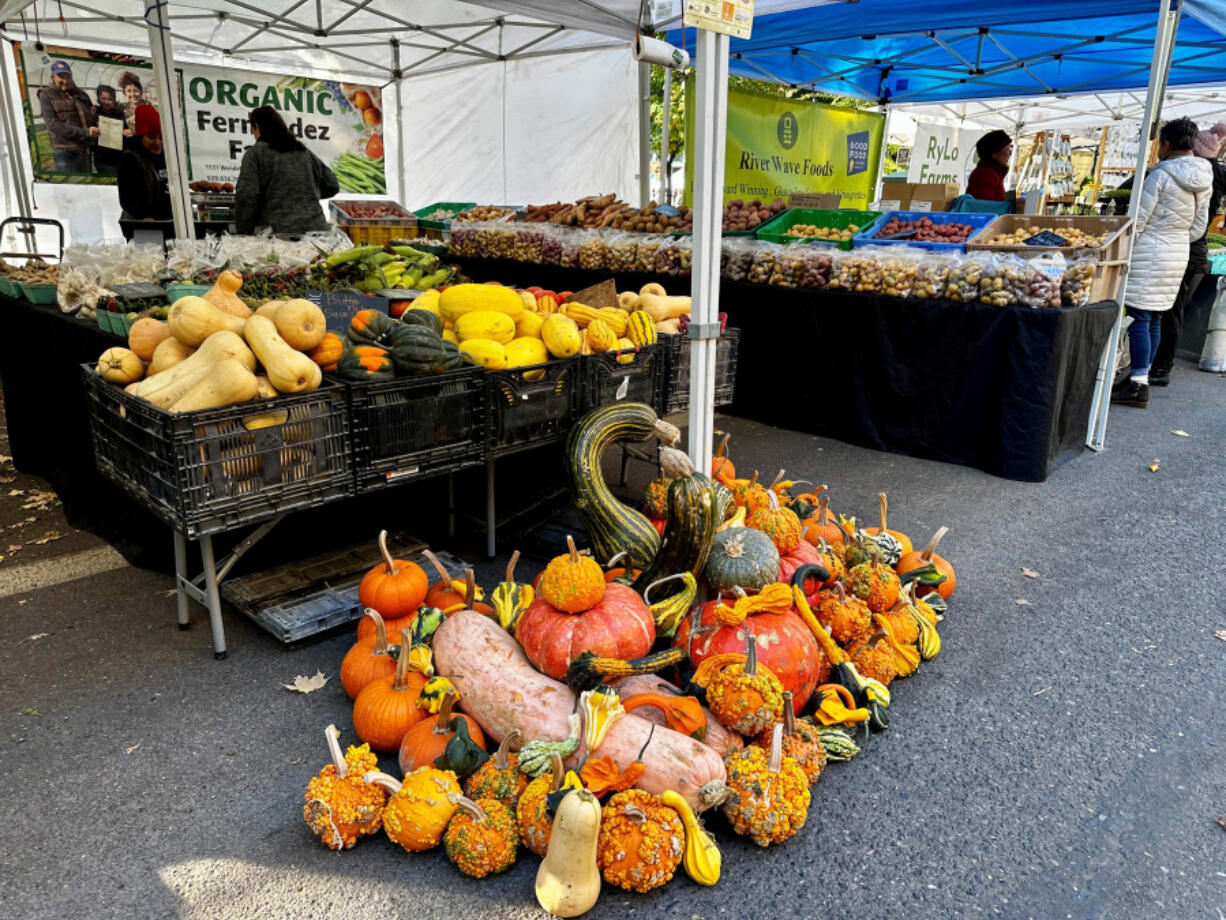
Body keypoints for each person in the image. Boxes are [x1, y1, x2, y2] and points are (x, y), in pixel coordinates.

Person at [1112, 117, 1212, 408]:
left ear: (1166, 144)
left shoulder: (1160, 175)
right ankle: (1139, 378)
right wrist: (1175, 237)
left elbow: (1138, 221)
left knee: (1140, 317)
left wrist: (1131, 245)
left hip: (1150, 252)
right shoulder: (1203, 180)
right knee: (1155, 316)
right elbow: (1198, 228)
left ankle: (1137, 385)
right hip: (1178, 251)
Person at [1148, 122, 1226, 387]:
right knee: (1171, 309)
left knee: (1162, 310)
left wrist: (1171, 237)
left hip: (1177, 248)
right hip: (1193, 248)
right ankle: (1159, 366)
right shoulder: (1210, 177)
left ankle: (1157, 367)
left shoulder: (1168, 174)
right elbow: (1198, 225)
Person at [234, 106, 339, 235]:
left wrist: (243, 234)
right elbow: (332, 185)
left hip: (278, 237)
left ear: (256, 126)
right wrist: (306, 195)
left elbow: (247, 196)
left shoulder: (255, 154)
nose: (253, 135)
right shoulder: (303, 151)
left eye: (252, 129)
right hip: (317, 233)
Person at [37, 60, 97, 173]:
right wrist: (85, 132)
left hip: (84, 150)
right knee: (71, 186)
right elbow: (53, 125)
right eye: (60, 76)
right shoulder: (46, 94)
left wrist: (96, 115)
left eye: (68, 76)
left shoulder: (81, 94)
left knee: (88, 185)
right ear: (53, 77)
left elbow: (90, 116)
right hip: (65, 152)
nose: (65, 80)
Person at [117, 105, 172, 223]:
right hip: (142, 223)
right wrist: (143, 217)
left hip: (167, 221)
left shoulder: (165, 156)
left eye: (161, 138)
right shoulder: (129, 159)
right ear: (141, 136)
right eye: (152, 137)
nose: (158, 143)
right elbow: (127, 198)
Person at [965, 130, 1012, 202]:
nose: (1009, 154)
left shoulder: (992, 172)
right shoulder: (986, 174)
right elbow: (985, 205)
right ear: (994, 154)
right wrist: (1010, 203)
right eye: (1007, 149)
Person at [92, 84, 126, 175]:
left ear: (114, 100)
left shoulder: (121, 114)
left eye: (110, 99)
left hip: (120, 157)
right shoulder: (94, 114)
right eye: (103, 98)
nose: (106, 102)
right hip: (103, 160)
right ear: (98, 99)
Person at [117, 72, 146, 137]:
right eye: (129, 91)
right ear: (125, 93)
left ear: (140, 91)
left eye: (135, 91)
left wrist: (134, 132)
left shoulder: (147, 105)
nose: (132, 94)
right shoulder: (122, 107)